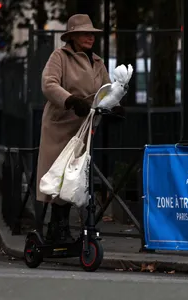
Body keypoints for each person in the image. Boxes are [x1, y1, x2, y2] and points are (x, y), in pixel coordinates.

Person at [37, 14, 123, 243]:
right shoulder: (60, 56)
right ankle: (57, 226)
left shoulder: (97, 61)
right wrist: (71, 101)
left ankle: (68, 227)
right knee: (59, 175)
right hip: (61, 124)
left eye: (92, 34)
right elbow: (49, 84)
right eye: (85, 33)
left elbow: (107, 90)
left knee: (76, 177)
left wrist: (114, 106)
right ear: (72, 36)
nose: (89, 37)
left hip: (85, 126)